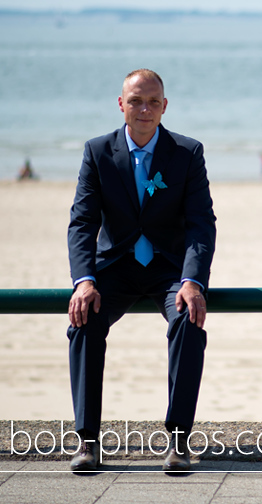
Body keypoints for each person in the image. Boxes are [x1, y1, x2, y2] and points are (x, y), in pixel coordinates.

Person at [67, 69, 216, 473]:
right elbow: (82, 223)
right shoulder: (98, 152)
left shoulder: (187, 153)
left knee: (189, 318)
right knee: (83, 322)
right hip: (114, 268)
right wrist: (84, 281)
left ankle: (179, 443)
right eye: (135, 101)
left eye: (152, 101)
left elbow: (201, 224)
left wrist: (192, 281)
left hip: (169, 270)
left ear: (165, 107)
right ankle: (87, 442)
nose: (144, 109)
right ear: (121, 104)